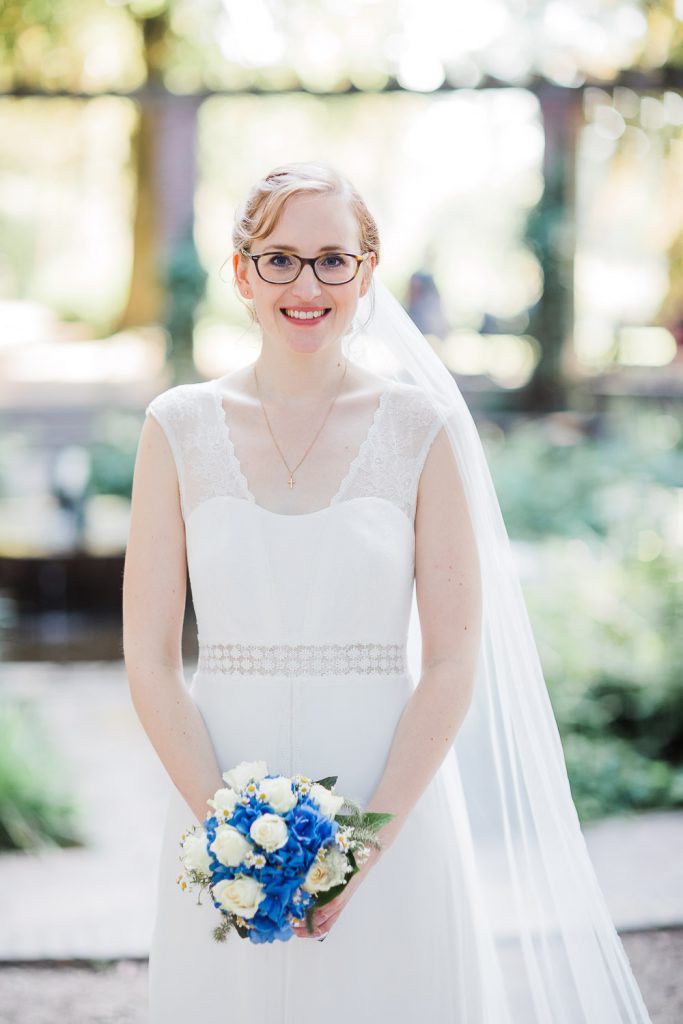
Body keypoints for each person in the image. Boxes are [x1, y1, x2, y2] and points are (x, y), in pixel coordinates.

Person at [122, 162, 652, 1022]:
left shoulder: (420, 429)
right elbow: (148, 658)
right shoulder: (176, 427)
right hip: (217, 792)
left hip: (387, 796)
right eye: (280, 259)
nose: (307, 285)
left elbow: (450, 661)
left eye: (333, 260)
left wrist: (362, 847)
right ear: (242, 273)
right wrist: (229, 834)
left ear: (366, 273)